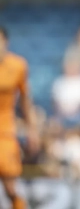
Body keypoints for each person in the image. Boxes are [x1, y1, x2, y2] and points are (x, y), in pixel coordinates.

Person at [0, 26, 40, 209]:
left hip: (5, 132)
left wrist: (32, 130)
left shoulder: (18, 66)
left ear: (5, 42)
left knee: (10, 187)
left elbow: (25, 101)